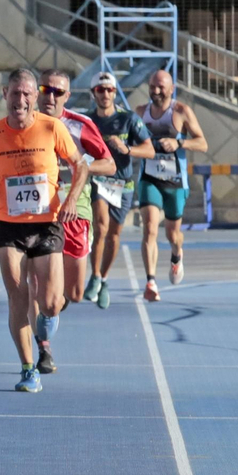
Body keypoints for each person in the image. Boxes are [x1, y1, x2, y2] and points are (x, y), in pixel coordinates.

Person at [0, 68, 89, 393]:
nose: (19, 100)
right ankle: (27, 367)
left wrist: (72, 199)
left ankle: (48, 320)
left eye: (26, 94)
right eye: (14, 93)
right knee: (17, 297)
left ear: (35, 97)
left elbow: (81, 165)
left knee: (49, 303)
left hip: (47, 223)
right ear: (4, 94)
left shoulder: (52, 128)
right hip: (9, 225)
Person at [33, 69, 115, 373]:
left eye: (58, 91)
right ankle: (43, 347)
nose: (51, 96)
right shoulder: (25, 122)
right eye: (46, 89)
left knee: (75, 293)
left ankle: (50, 313)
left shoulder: (80, 125)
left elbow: (109, 163)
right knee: (37, 283)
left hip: (75, 207)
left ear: (67, 96)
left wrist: (81, 167)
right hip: (38, 208)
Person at [80, 71, 154, 309]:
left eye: (110, 89)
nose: (105, 94)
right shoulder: (88, 121)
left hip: (123, 185)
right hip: (100, 182)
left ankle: (103, 278)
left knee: (113, 235)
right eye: (100, 90)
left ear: (115, 92)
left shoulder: (129, 119)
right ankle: (94, 276)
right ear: (94, 94)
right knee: (100, 228)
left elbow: (150, 150)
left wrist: (127, 149)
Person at [134, 70, 208, 302]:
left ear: (171, 88)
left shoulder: (181, 112)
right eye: (152, 86)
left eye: (161, 87)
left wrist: (179, 142)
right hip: (149, 178)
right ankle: (151, 281)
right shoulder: (139, 112)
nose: (156, 91)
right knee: (149, 228)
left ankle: (177, 255)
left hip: (175, 181)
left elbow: (202, 143)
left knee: (172, 234)